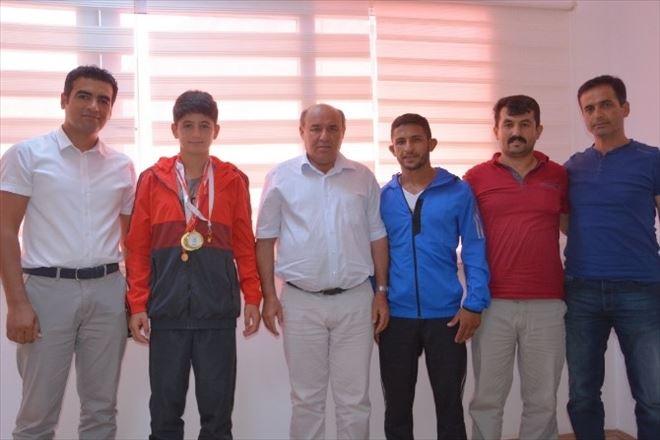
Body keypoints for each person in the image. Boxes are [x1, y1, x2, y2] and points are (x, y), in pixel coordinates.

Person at [0, 65, 135, 440]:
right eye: (84, 96)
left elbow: (131, 240)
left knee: (101, 410)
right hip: (47, 293)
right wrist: (17, 303)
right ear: (64, 99)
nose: (94, 106)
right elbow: (5, 230)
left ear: (111, 109)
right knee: (37, 415)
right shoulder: (27, 155)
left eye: (103, 100)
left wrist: (134, 298)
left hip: (107, 292)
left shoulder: (122, 166)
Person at [125, 90, 262, 440]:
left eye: (204, 125)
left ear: (216, 130)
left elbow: (245, 245)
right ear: (175, 130)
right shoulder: (152, 179)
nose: (196, 133)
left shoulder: (232, 180)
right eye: (188, 125)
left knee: (217, 418)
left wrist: (253, 296)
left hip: (216, 313)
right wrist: (137, 304)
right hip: (167, 312)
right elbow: (137, 248)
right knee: (164, 416)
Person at [255, 103, 389, 440]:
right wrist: (269, 297)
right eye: (315, 128)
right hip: (300, 302)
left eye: (332, 128)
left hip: (355, 300)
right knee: (306, 399)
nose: (324, 136)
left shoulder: (362, 177)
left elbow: (377, 236)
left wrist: (381, 293)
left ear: (343, 132)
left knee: (354, 400)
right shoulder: (280, 177)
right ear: (302, 132)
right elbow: (265, 239)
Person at [379, 113, 490, 440]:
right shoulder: (383, 196)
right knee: (397, 409)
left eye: (416, 139)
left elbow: (475, 248)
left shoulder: (458, 192)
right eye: (401, 142)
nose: (408, 147)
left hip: (446, 317)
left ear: (431, 144)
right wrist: (377, 298)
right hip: (396, 318)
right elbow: (373, 253)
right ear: (392, 149)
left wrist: (474, 303)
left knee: (450, 409)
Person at [463, 95, 568, 440]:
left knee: (542, 401)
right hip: (493, 305)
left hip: (547, 304)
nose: (516, 131)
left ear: (538, 130)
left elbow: (575, 227)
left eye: (525, 124)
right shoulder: (475, 178)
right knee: (487, 400)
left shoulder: (559, 175)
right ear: (496, 130)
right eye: (508, 124)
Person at [563, 75, 660, 440]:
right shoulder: (573, 168)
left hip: (641, 290)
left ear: (625, 108)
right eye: (589, 108)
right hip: (582, 291)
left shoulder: (651, 160)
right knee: (582, 395)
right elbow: (567, 223)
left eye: (606, 105)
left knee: (653, 396)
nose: (597, 114)